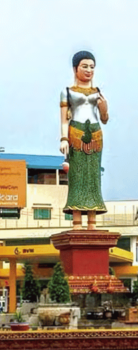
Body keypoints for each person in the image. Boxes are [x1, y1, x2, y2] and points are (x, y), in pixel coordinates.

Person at [60, 51, 108, 230]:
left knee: (93, 177)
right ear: (75, 68)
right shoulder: (67, 92)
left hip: (95, 134)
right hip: (76, 134)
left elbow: (104, 119)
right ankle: (77, 221)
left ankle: (93, 222)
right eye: (85, 66)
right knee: (78, 176)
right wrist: (64, 138)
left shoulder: (97, 92)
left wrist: (104, 109)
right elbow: (64, 118)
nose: (89, 70)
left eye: (92, 67)